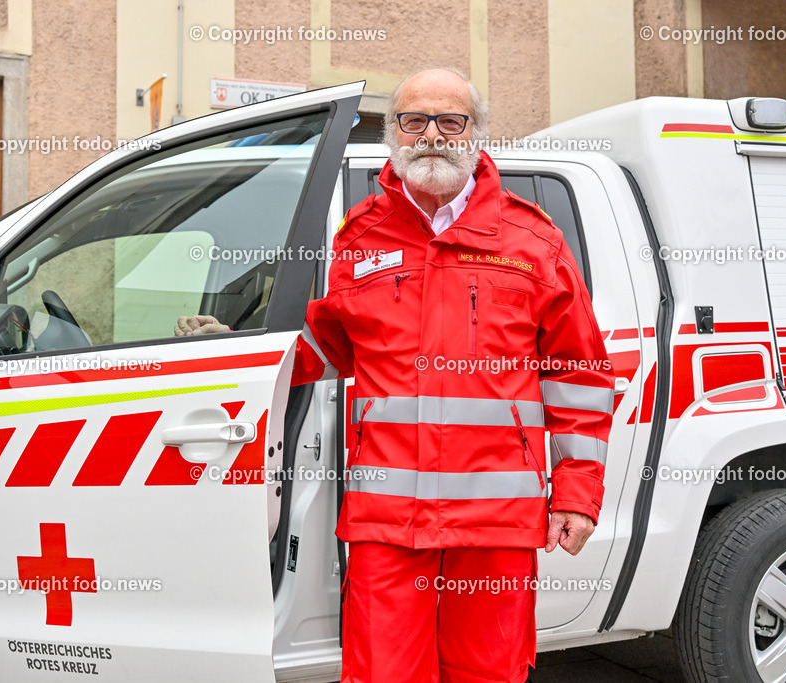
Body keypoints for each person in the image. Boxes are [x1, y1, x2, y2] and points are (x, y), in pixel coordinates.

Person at [176, 67, 613, 683]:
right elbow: (333, 342)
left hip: (495, 520)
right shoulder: (361, 237)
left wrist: (576, 490)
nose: (431, 135)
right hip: (388, 516)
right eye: (414, 120)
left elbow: (579, 372)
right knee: (383, 672)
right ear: (394, 133)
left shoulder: (531, 240)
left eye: (450, 121)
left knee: (487, 672)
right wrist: (240, 356)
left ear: (476, 134)